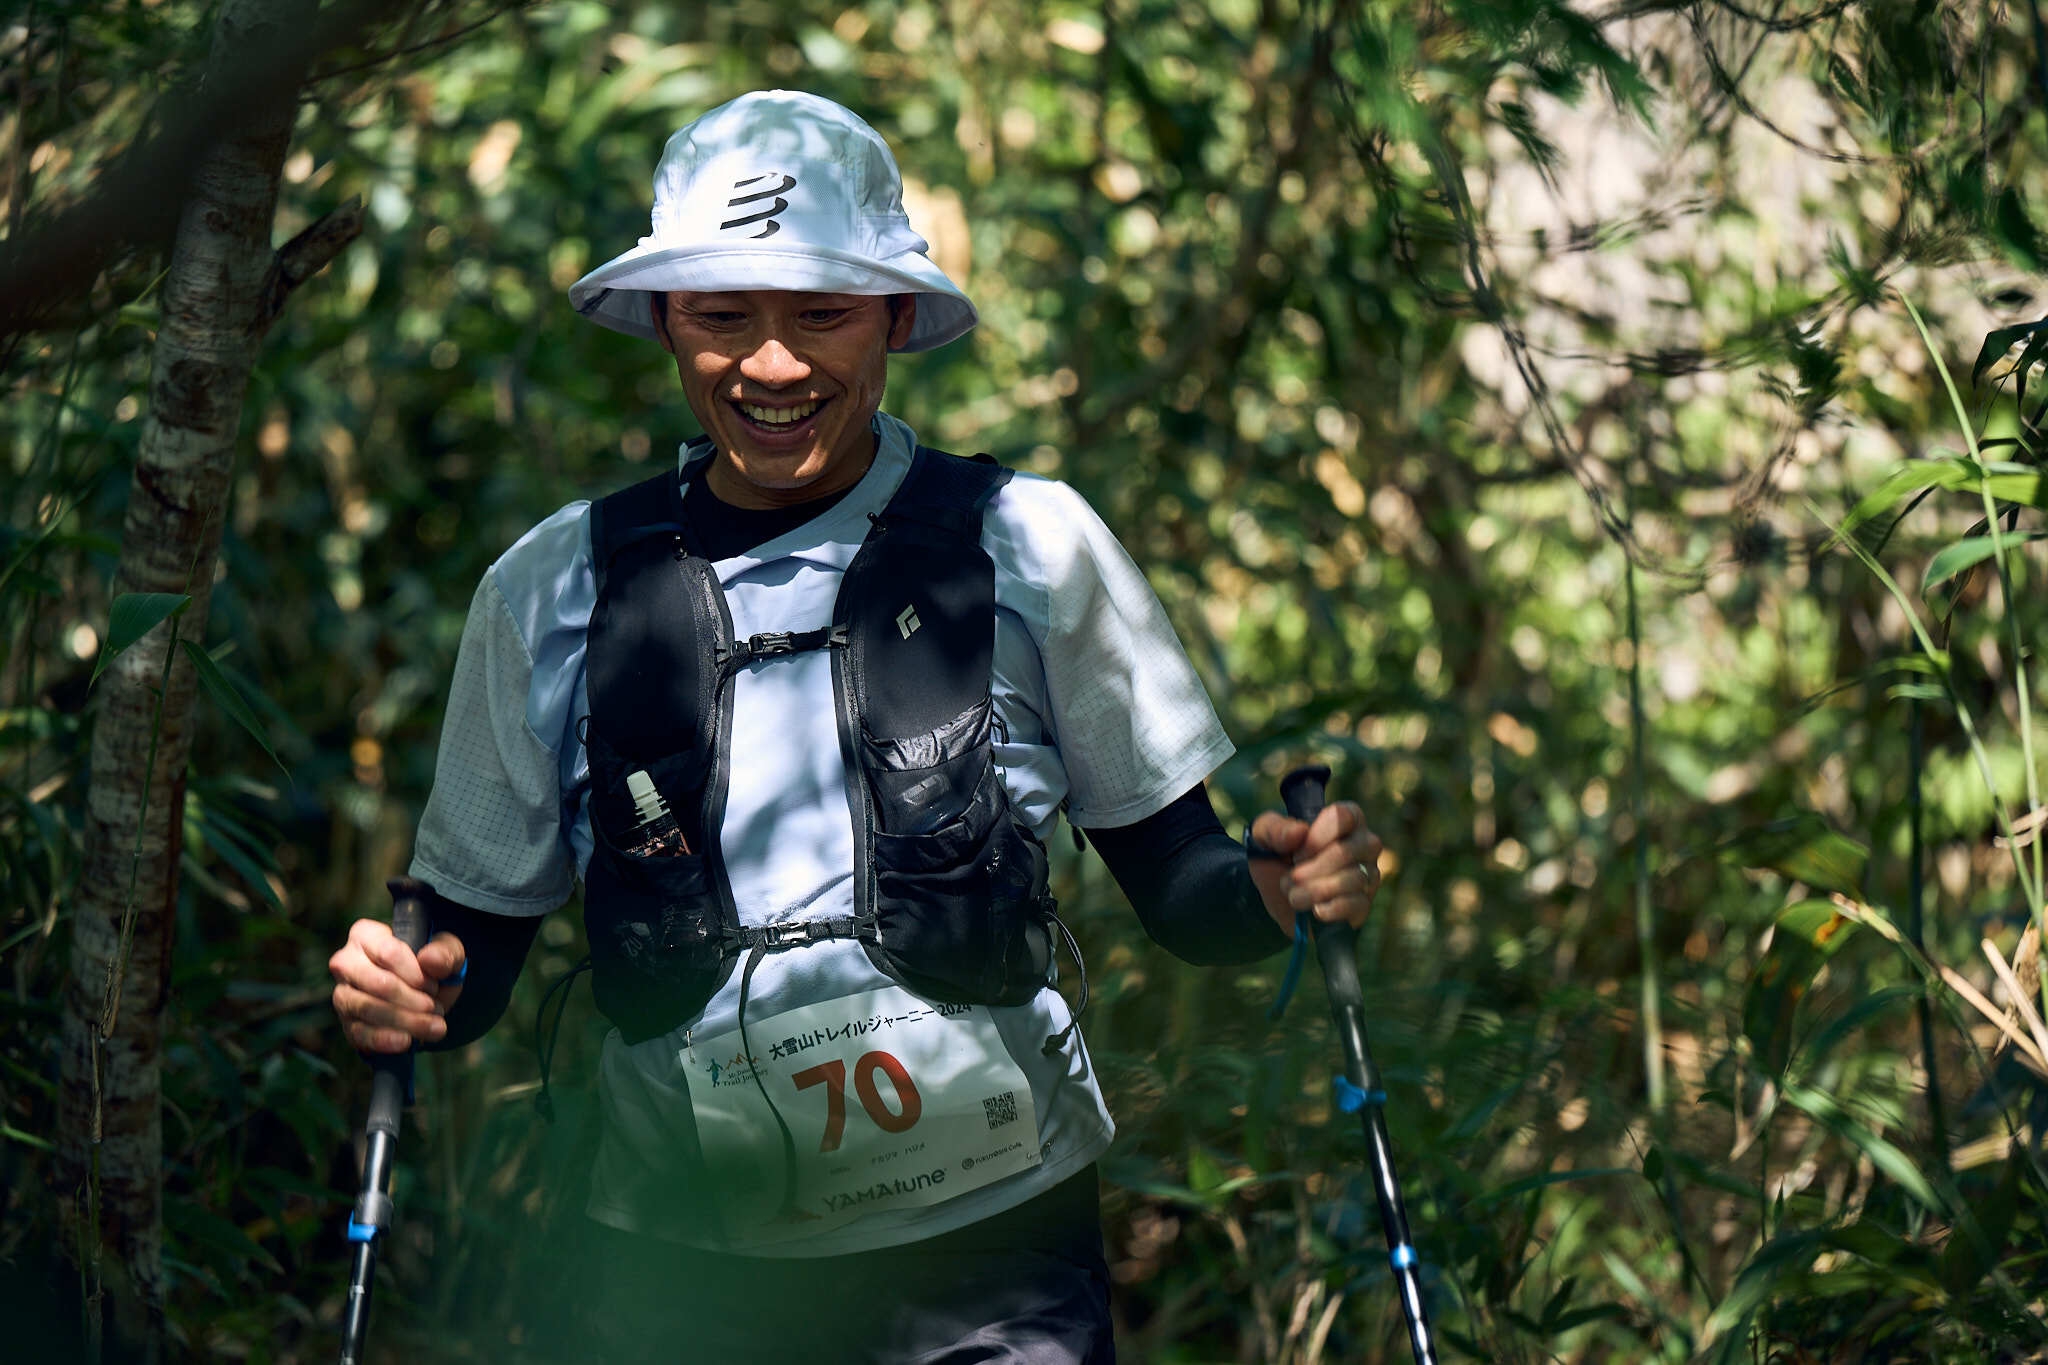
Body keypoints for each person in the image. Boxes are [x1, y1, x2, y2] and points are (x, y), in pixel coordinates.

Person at [327, 90, 1384, 1364]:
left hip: (997, 1254)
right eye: (721, 316)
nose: (771, 367)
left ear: (892, 316)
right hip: (683, 1268)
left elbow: (1178, 882)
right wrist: (412, 985)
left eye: (820, 314)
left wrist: (1277, 887)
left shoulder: (1029, 546)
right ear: (666, 319)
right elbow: (473, 948)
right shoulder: (552, 590)